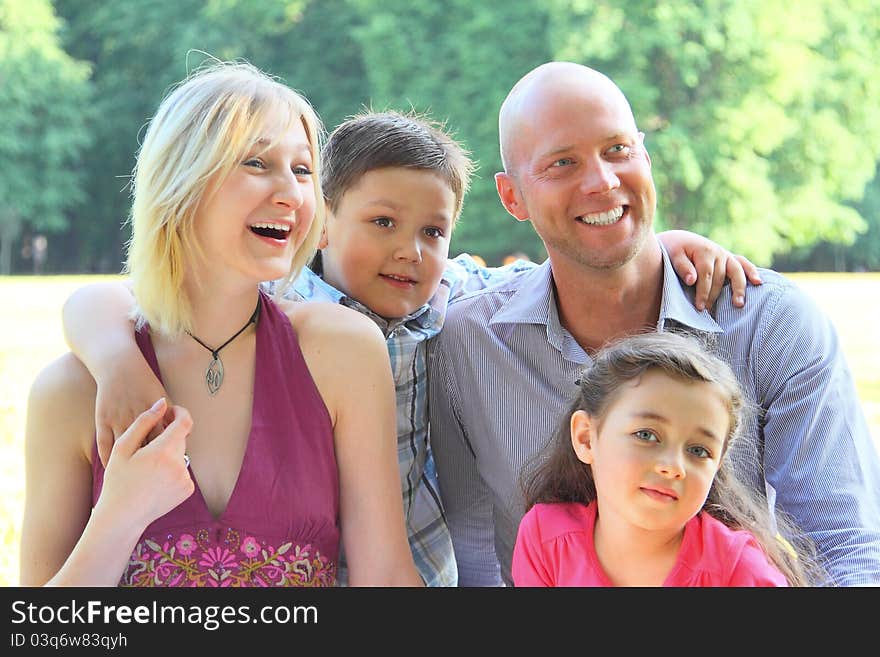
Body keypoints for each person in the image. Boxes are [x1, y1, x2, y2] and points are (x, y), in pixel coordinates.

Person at [60, 107, 759, 586]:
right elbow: (115, 299)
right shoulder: (280, 308)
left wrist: (659, 246)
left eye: (432, 231)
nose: (410, 250)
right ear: (322, 224)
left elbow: (559, 268)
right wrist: (114, 356)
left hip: (427, 564)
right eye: (384, 222)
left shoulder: (451, 293)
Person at [429, 61, 880, 587]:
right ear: (513, 197)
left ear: (645, 154)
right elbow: (478, 561)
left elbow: (845, 549)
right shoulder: (467, 343)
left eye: (617, 150)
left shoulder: (771, 323)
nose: (601, 180)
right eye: (562, 163)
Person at [19, 61, 422, 587]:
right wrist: (118, 516)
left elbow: (386, 579)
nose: (292, 194)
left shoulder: (342, 353)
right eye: (256, 162)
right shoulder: (72, 391)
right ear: (181, 180)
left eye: (302, 170)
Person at [512, 331, 826, 587]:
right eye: (647, 435)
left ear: (716, 466)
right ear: (585, 437)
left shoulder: (742, 572)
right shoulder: (545, 539)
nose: (673, 466)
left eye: (699, 451)